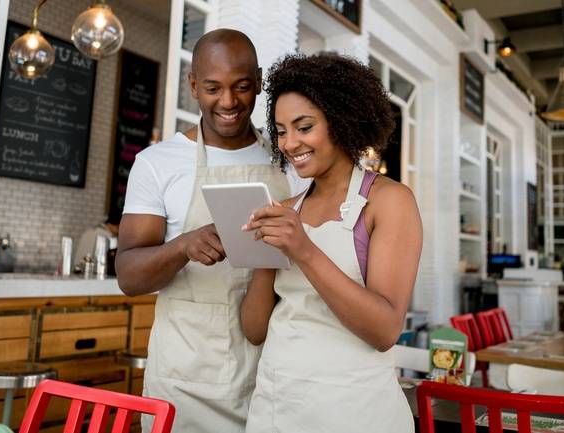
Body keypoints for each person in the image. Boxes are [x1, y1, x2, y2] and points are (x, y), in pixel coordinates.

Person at [115, 29, 307, 433]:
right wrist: (182, 246)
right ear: (192, 85)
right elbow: (129, 277)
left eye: (241, 86)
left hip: (271, 372)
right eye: (212, 87)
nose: (228, 102)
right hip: (184, 380)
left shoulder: (289, 160)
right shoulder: (158, 163)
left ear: (257, 80)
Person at [241, 53, 422, 433]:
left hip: (355, 412)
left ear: (341, 121)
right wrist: (261, 252)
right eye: (281, 130)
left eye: (304, 127)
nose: (290, 143)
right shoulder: (287, 209)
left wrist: (302, 249)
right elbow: (255, 329)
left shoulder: (389, 202)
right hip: (278, 407)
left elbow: (384, 330)